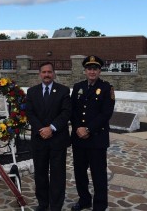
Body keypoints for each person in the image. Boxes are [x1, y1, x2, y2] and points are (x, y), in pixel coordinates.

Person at [70, 55, 115, 211]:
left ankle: (100, 205)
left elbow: (106, 113)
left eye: (95, 69)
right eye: (89, 68)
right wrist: (77, 128)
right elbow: (73, 111)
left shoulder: (106, 88)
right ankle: (84, 200)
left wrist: (88, 129)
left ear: (100, 71)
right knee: (80, 173)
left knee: (98, 174)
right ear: (85, 71)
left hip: (96, 139)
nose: (92, 71)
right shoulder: (78, 87)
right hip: (79, 139)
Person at [26, 61, 71, 211]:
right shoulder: (32, 92)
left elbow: (66, 113)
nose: (47, 75)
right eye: (44, 72)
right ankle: (43, 203)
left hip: (57, 139)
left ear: (54, 74)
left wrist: (51, 128)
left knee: (58, 174)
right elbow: (30, 114)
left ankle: (56, 205)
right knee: (40, 173)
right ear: (40, 74)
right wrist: (41, 129)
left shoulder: (64, 91)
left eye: (49, 72)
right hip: (39, 139)